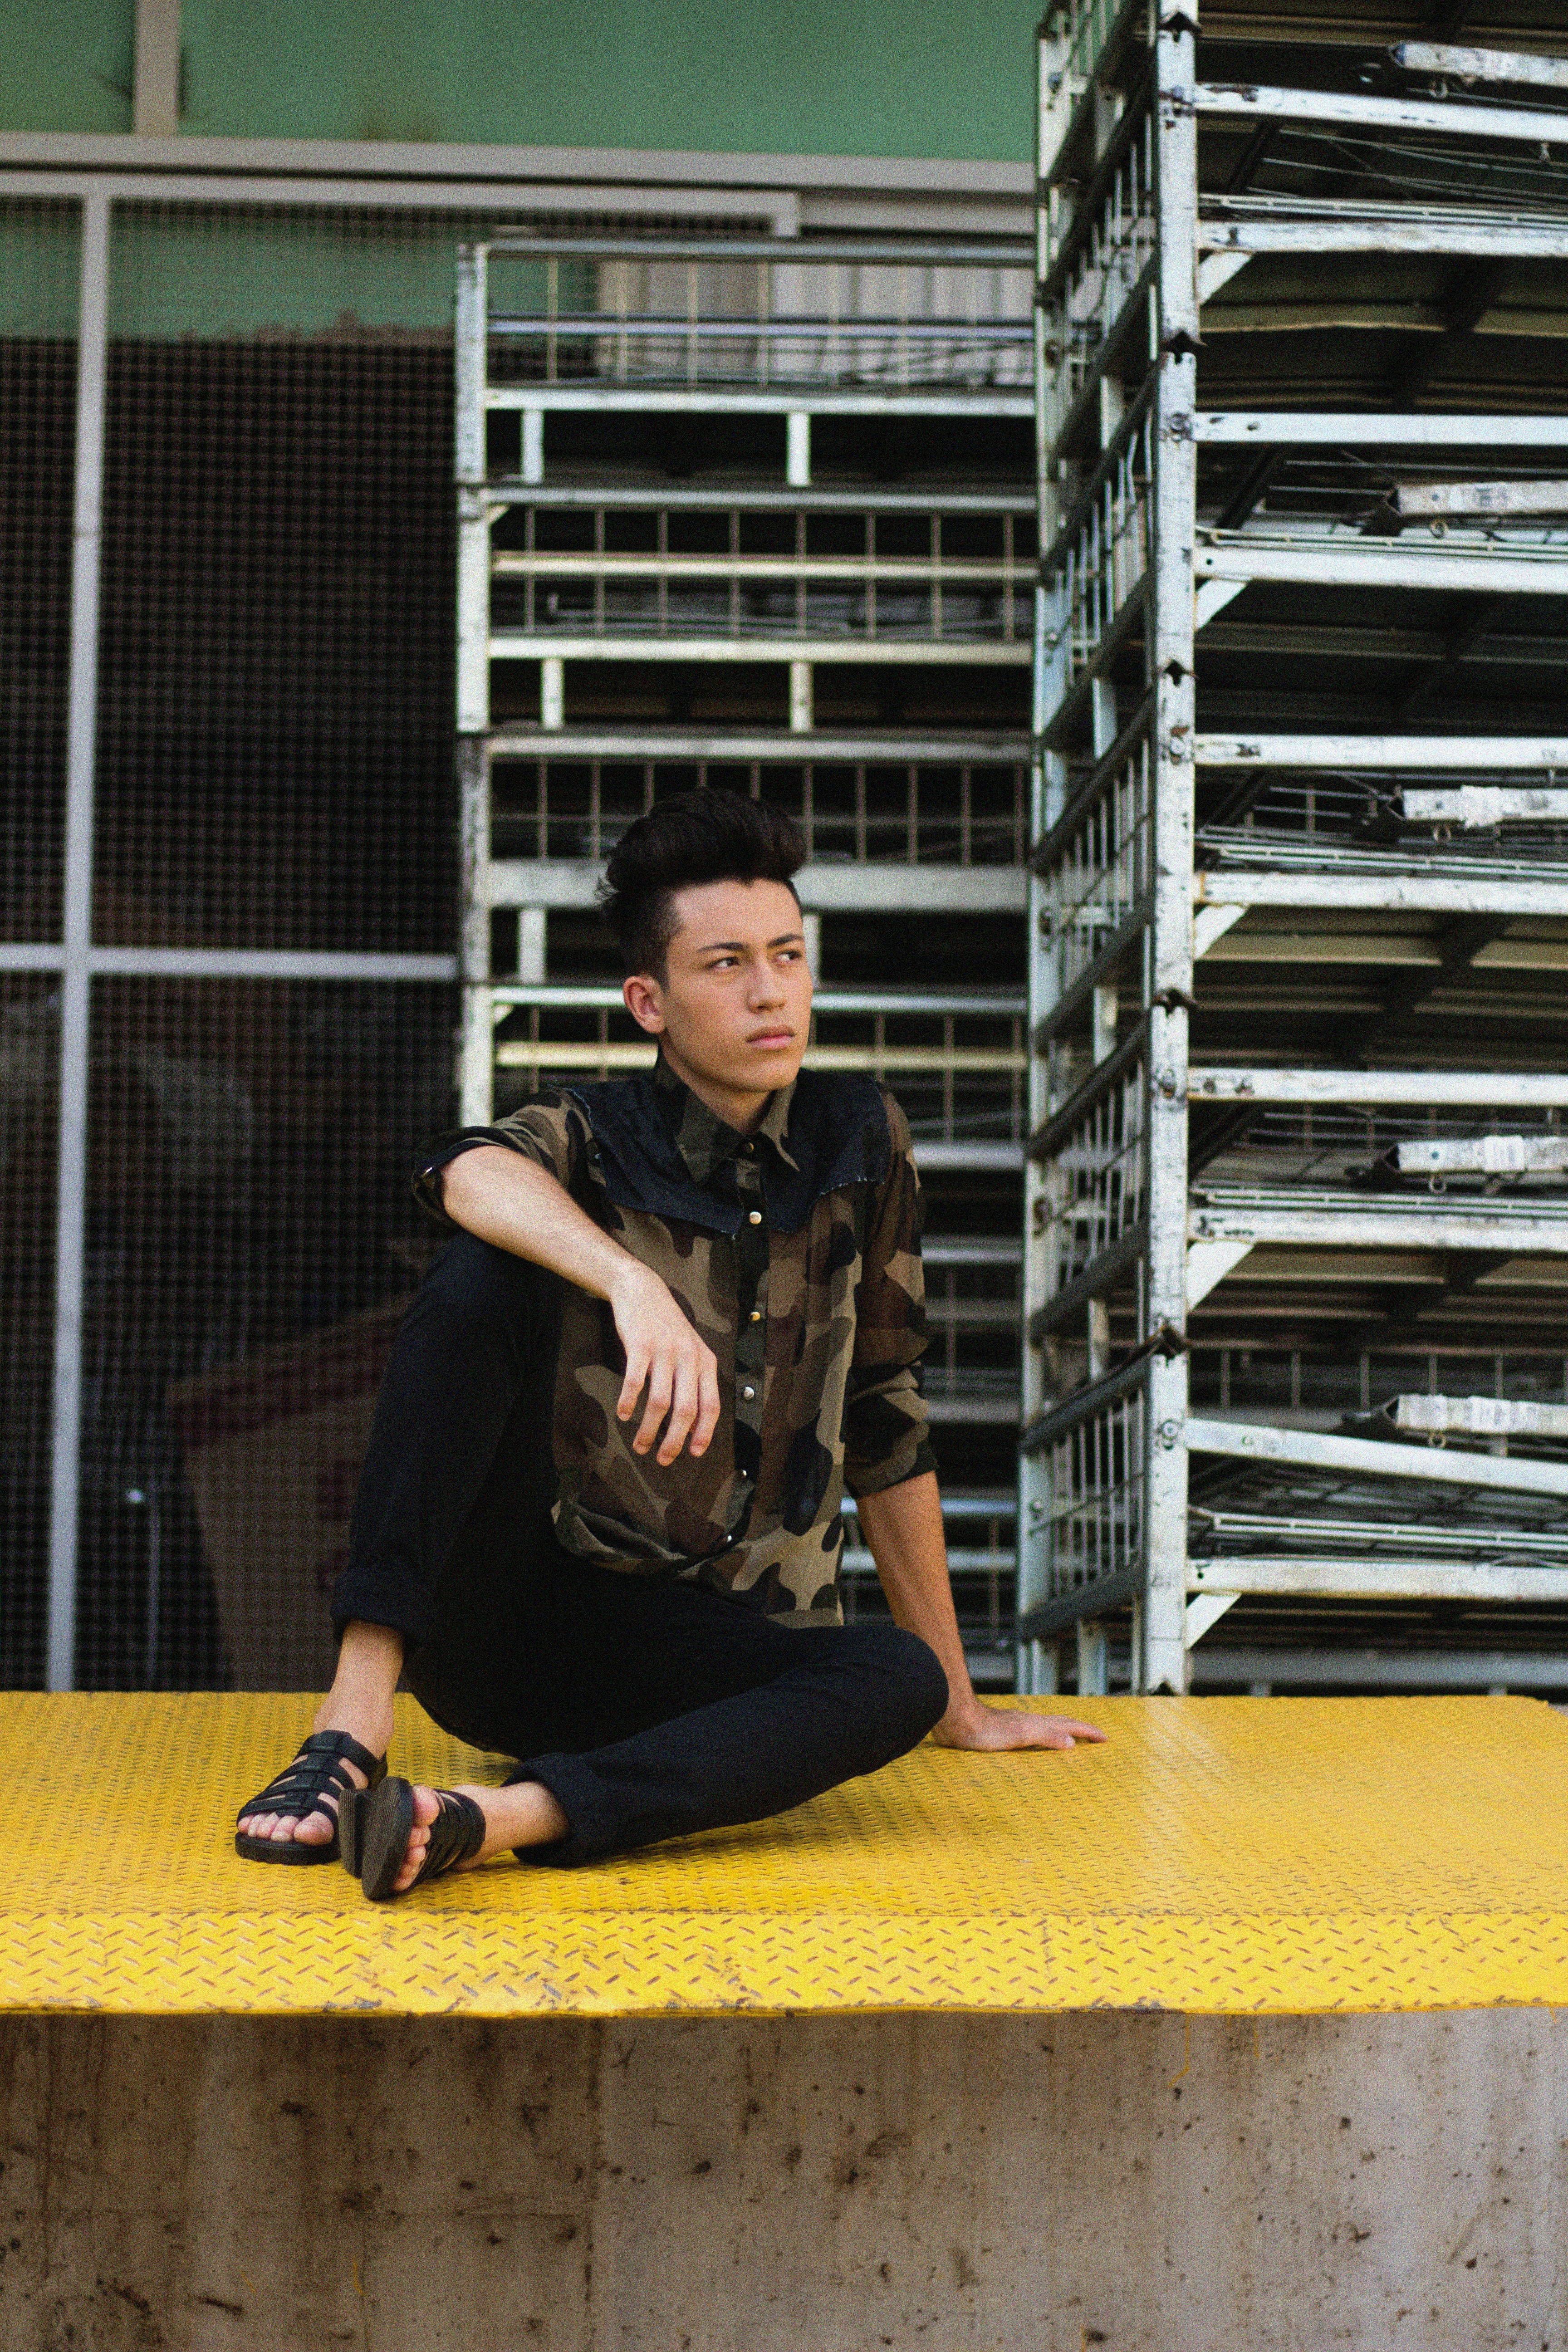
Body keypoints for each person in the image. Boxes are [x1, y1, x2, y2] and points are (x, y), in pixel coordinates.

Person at [235, 789, 1103, 1899]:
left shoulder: (862, 1138)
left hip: (714, 1653)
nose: (769, 991)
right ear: (649, 1001)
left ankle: (488, 1821)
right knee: (480, 1276)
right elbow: (461, 1169)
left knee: (899, 1677)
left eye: (788, 956)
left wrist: (962, 1702)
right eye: (726, 963)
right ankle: (352, 1723)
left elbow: (886, 1412)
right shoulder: (593, 1133)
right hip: (523, 1625)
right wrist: (627, 1279)